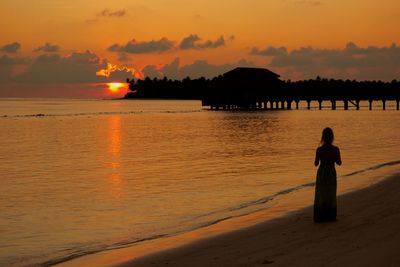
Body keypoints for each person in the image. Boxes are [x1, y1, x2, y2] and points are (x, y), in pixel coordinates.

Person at [313, 127, 342, 222]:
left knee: (321, 194)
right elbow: (339, 163)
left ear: (323, 137)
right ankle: (331, 216)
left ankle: (321, 216)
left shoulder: (319, 149)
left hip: (321, 173)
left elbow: (316, 163)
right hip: (331, 173)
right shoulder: (335, 149)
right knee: (331, 193)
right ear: (332, 137)